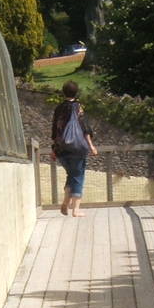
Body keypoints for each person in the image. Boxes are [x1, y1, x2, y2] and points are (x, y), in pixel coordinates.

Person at [50, 81, 98, 217]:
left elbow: (55, 131)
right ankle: (75, 209)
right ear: (76, 93)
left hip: (62, 149)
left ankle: (66, 202)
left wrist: (54, 149)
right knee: (78, 176)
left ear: (63, 92)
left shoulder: (58, 109)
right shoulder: (78, 107)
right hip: (77, 148)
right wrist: (91, 146)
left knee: (71, 175)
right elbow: (84, 128)